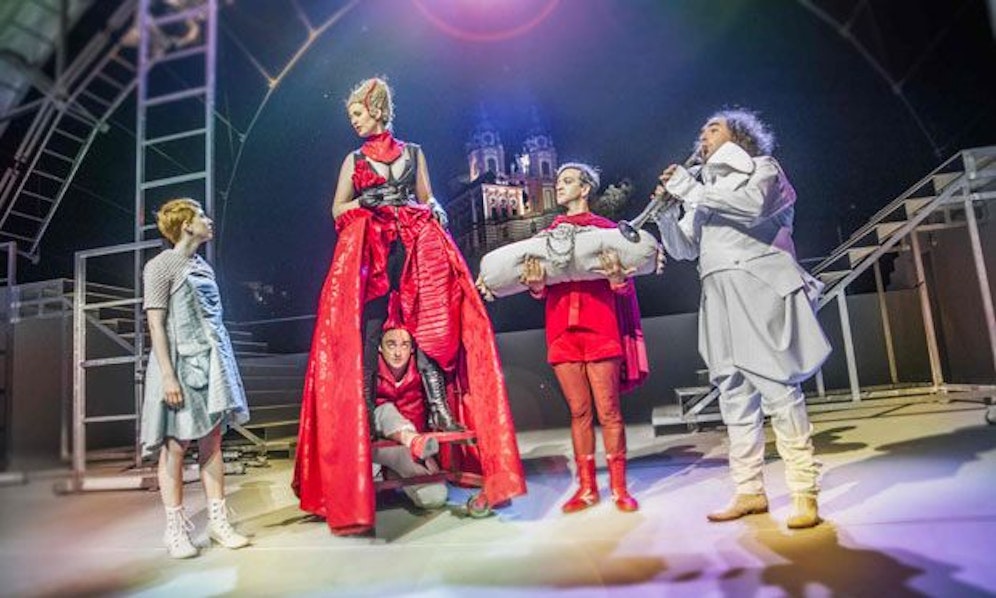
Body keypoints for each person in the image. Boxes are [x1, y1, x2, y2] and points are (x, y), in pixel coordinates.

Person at [293, 77, 526, 535]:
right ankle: (364, 414)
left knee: (425, 325)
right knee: (370, 332)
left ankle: (438, 408)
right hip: (374, 250)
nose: (353, 121)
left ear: (376, 110)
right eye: (351, 116)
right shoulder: (354, 160)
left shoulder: (414, 153)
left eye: (357, 113)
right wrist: (365, 204)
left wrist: (434, 207)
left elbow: (426, 196)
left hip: (413, 243)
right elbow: (337, 208)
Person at [654, 109, 830, 529]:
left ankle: (804, 490)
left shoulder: (763, 169)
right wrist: (666, 213)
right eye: (702, 129)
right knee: (733, 393)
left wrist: (690, 188)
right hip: (717, 294)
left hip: (759, 287)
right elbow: (684, 248)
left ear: (740, 136)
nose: (703, 134)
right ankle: (749, 490)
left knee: (778, 389)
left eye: (713, 127)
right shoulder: (705, 188)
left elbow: (751, 208)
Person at [520, 162, 649, 513]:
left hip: (600, 328)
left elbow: (625, 288)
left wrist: (618, 280)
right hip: (562, 332)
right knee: (579, 412)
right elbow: (541, 290)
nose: (559, 186)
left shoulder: (606, 231)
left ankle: (619, 488)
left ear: (585, 187)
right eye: (558, 181)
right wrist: (536, 286)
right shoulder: (547, 237)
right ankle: (587, 488)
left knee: (609, 411)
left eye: (567, 181)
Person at [140, 198, 251, 558]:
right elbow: (156, 324)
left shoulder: (202, 266)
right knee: (176, 445)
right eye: (201, 216)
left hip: (210, 362)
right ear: (186, 225)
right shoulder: (160, 266)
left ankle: (219, 523)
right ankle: (174, 530)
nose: (208, 220)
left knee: (212, 441)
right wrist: (168, 376)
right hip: (179, 364)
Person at [371, 295, 448, 510]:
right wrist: (415, 441)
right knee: (385, 410)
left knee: (435, 497)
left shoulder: (422, 371)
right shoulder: (370, 371)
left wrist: (429, 459)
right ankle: (412, 441)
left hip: (403, 452)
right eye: (391, 345)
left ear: (412, 348)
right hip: (377, 445)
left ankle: (393, 472)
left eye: (404, 345)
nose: (398, 352)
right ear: (380, 347)